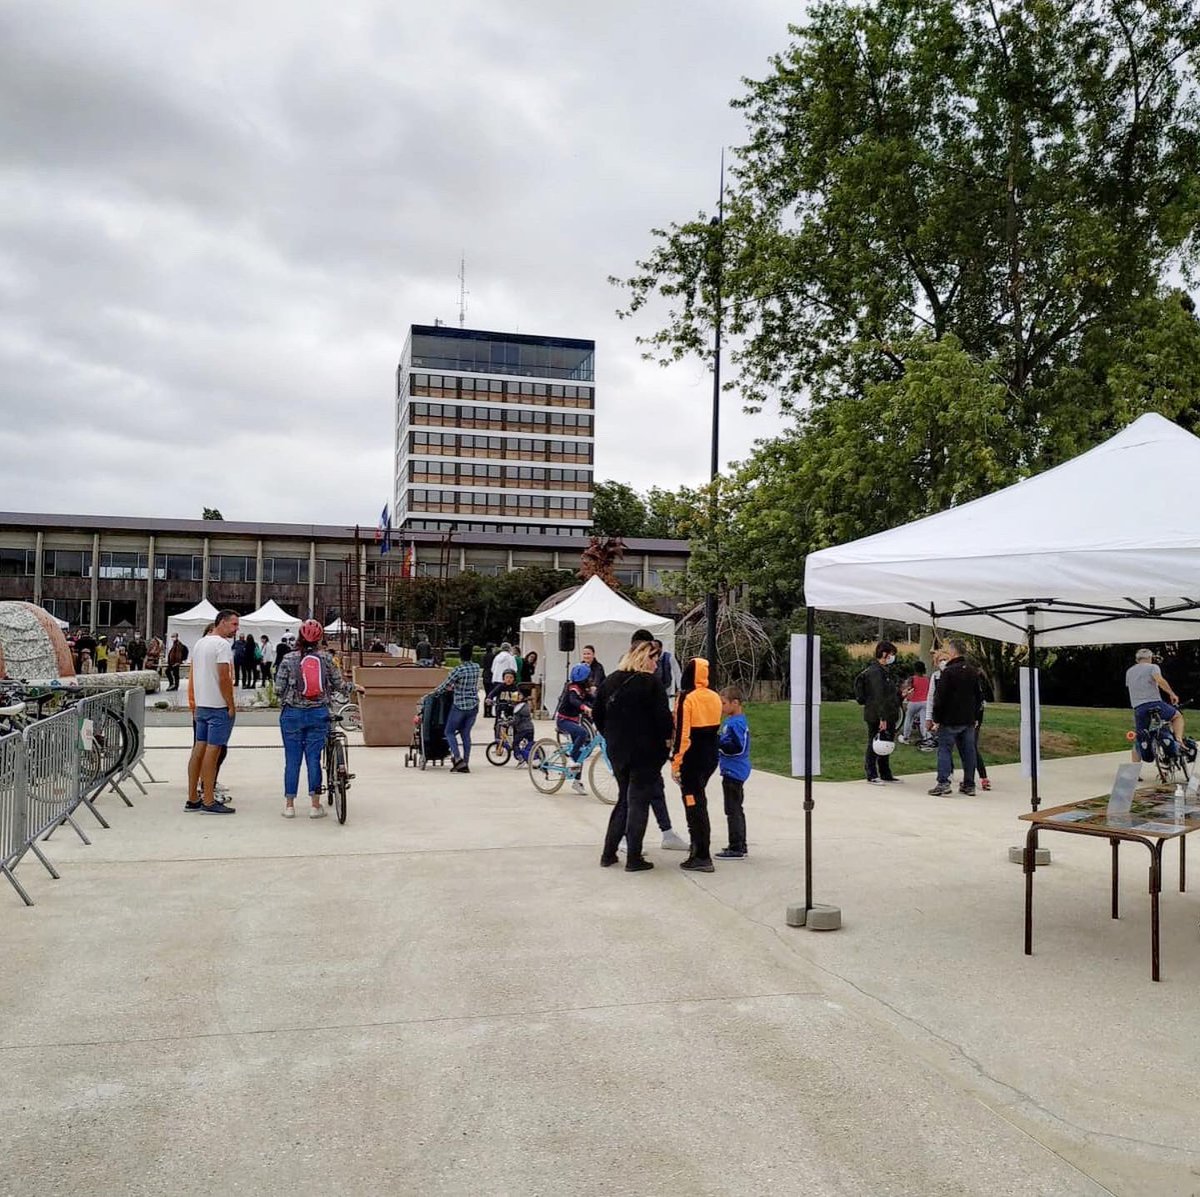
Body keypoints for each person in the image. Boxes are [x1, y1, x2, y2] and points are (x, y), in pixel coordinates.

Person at [597, 640, 676, 872]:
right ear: (644, 658)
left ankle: (608, 853)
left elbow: (598, 715)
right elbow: (663, 720)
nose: (656, 664)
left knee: (623, 800)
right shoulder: (651, 684)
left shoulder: (610, 681)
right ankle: (634, 857)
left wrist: (612, 736)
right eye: (653, 659)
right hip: (645, 752)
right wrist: (665, 749)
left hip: (618, 750)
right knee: (638, 802)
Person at [274, 619, 350, 819]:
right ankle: (315, 806)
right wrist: (354, 688)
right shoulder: (326, 659)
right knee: (314, 759)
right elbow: (339, 684)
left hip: (292, 715)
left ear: (298, 636)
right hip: (318, 714)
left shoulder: (288, 659)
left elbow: (278, 689)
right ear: (320, 639)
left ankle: (290, 806)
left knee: (292, 760)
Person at [671, 657, 723, 872]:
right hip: (710, 756)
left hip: (692, 758)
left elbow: (683, 735)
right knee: (699, 800)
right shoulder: (715, 697)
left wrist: (676, 762)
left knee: (693, 804)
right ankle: (699, 848)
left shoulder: (687, 698)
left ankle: (701, 853)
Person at [185, 609, 239, 814]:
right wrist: (230, 703)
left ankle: (192, 797)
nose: (236, 629)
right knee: (213, 751)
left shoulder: (201, 643)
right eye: (233, 624)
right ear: (222, 623)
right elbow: (224, 677)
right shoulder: (222, 645)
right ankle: (208, 799)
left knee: (198, 749)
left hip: (202, 703)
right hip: (218, 705)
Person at [928, 639, 980, 797]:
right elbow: (978, 696)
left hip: (950, 719)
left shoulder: (948, 672)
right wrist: (976, 715)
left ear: (953, 652)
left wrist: (936, 718)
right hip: (968, 719)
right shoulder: (972, 671)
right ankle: (969, 784)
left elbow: (940, 697)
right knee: (968, 752)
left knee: (944, 750)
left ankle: (943, 782)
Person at [1126, 647, 1186, 760]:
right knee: (1177, 716)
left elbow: (1132, 687)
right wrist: (1172, 694)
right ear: (1150, 658)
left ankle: (1133, 771)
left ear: (1137, 659)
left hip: (1139, 708)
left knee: (1140, 737)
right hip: (1155, 703)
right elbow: (1159, 681)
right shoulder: (1153, 667)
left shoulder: (1129, 671)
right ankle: (1179, 741)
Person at [716, 685, 751, 860]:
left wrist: (718, 743)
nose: (721, 707)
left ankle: (736, 846)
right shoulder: (730, 722)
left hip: (734, 771)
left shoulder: (736, 723)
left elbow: (738, 748)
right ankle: (740, 844)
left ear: (735, 703)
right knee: (736, 808)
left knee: (733, 809)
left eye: (723, 703)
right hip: (730, 770)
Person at [434, 643, 482, 773]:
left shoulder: (458, 670)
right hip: (474, 705)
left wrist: (434, 693)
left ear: (460, 655)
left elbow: (445, 685)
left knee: (449, 732)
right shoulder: (476, 667)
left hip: (460, 705)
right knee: (465, 734)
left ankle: (457, 758)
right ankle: (466, 761)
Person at [861, 640, 901, 784]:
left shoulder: (884, 671)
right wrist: (882, 718)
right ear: (884, 654)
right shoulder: (876, 672)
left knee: (885, 743)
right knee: (874, 742)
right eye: (891, 654)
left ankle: (885, 772)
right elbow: (878, 696)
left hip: (888, 713)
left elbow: (888, 694)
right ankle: (871, 773)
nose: (892, 657)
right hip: (876, 714)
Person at [556, 664, 594, 794]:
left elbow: (594, 700)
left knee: (581, 752)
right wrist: (585, 708)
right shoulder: (573, 688)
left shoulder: (584, 690)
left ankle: (577, 782)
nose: (591, 679)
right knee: (582, 733)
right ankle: (570, 759)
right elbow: (574, 701)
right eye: (589, 677)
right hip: (563, 720)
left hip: (574, 720)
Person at [898, 661, 929, 743]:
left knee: (909, 718)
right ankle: (925, 736)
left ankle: (906, 737)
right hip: (925, 702)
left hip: (914, 702)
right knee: (923, 721)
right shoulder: (927, 679)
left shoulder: (912, 679)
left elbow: (906, 688)